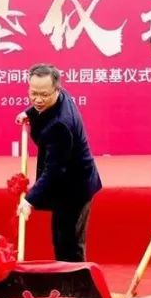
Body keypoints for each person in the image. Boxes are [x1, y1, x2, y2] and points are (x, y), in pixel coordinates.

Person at [14, 64, 101, 262]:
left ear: (56, 89)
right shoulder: (60, 96)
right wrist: (29, 113)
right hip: (66, 182)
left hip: (75, 186)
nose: (38, 99)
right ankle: (66, 277)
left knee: (69, 244)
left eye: (44, 95)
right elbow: (40, 105)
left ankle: (77, 281)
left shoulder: (61, 125)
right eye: (33, 93)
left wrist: (29, 200)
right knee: (61, 237)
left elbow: (53, 170)